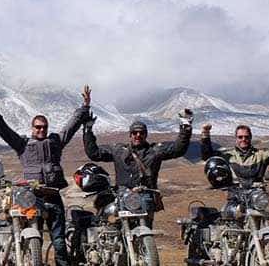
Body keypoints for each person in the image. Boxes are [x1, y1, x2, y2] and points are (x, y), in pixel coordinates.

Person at [0, 85, 91, 266]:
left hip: (53, 197)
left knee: (59, 241)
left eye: (43, 127)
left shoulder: (56, 142)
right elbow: (5, 132)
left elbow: (72, 125)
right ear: (32, 128)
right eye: (37, 127)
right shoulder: (23, 144)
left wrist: (85, 107)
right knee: (34, 239)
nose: (41, 130)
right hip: (32, 199)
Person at [82, 96, 192, 226]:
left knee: (145, 227)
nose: (138, 135)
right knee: (119, 227)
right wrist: (88, 130)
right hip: (123, 195)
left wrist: (185, 127)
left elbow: (178, 149)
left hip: (146, 195)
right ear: (130, 135)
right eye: (134, 133)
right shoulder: (119, 150)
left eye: (141, 133)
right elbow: (94, 154)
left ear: (146, 135)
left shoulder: (155, 150)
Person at [199, 121, 269, 182]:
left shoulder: (261, 155)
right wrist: (205, 134)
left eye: (246, 137)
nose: (243, 139)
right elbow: (207, 157)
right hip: (234, 195)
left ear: (250, 137)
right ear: (236, 138)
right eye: (240, 137)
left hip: (257, 195)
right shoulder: (228, 155)